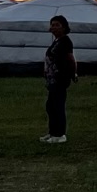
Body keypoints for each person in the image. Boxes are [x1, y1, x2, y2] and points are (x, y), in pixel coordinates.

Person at [41, 14, 75, 144]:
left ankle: (60, 134)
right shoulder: (56, 41)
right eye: (52, 25)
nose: (53, 27)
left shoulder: (65, 41)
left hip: (60, 78)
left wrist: (73, 74)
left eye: (57, 25)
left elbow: (71, 59)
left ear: (64, 27)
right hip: (52, 79)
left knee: (58, 106)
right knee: (50, 106)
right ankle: (52, 133)